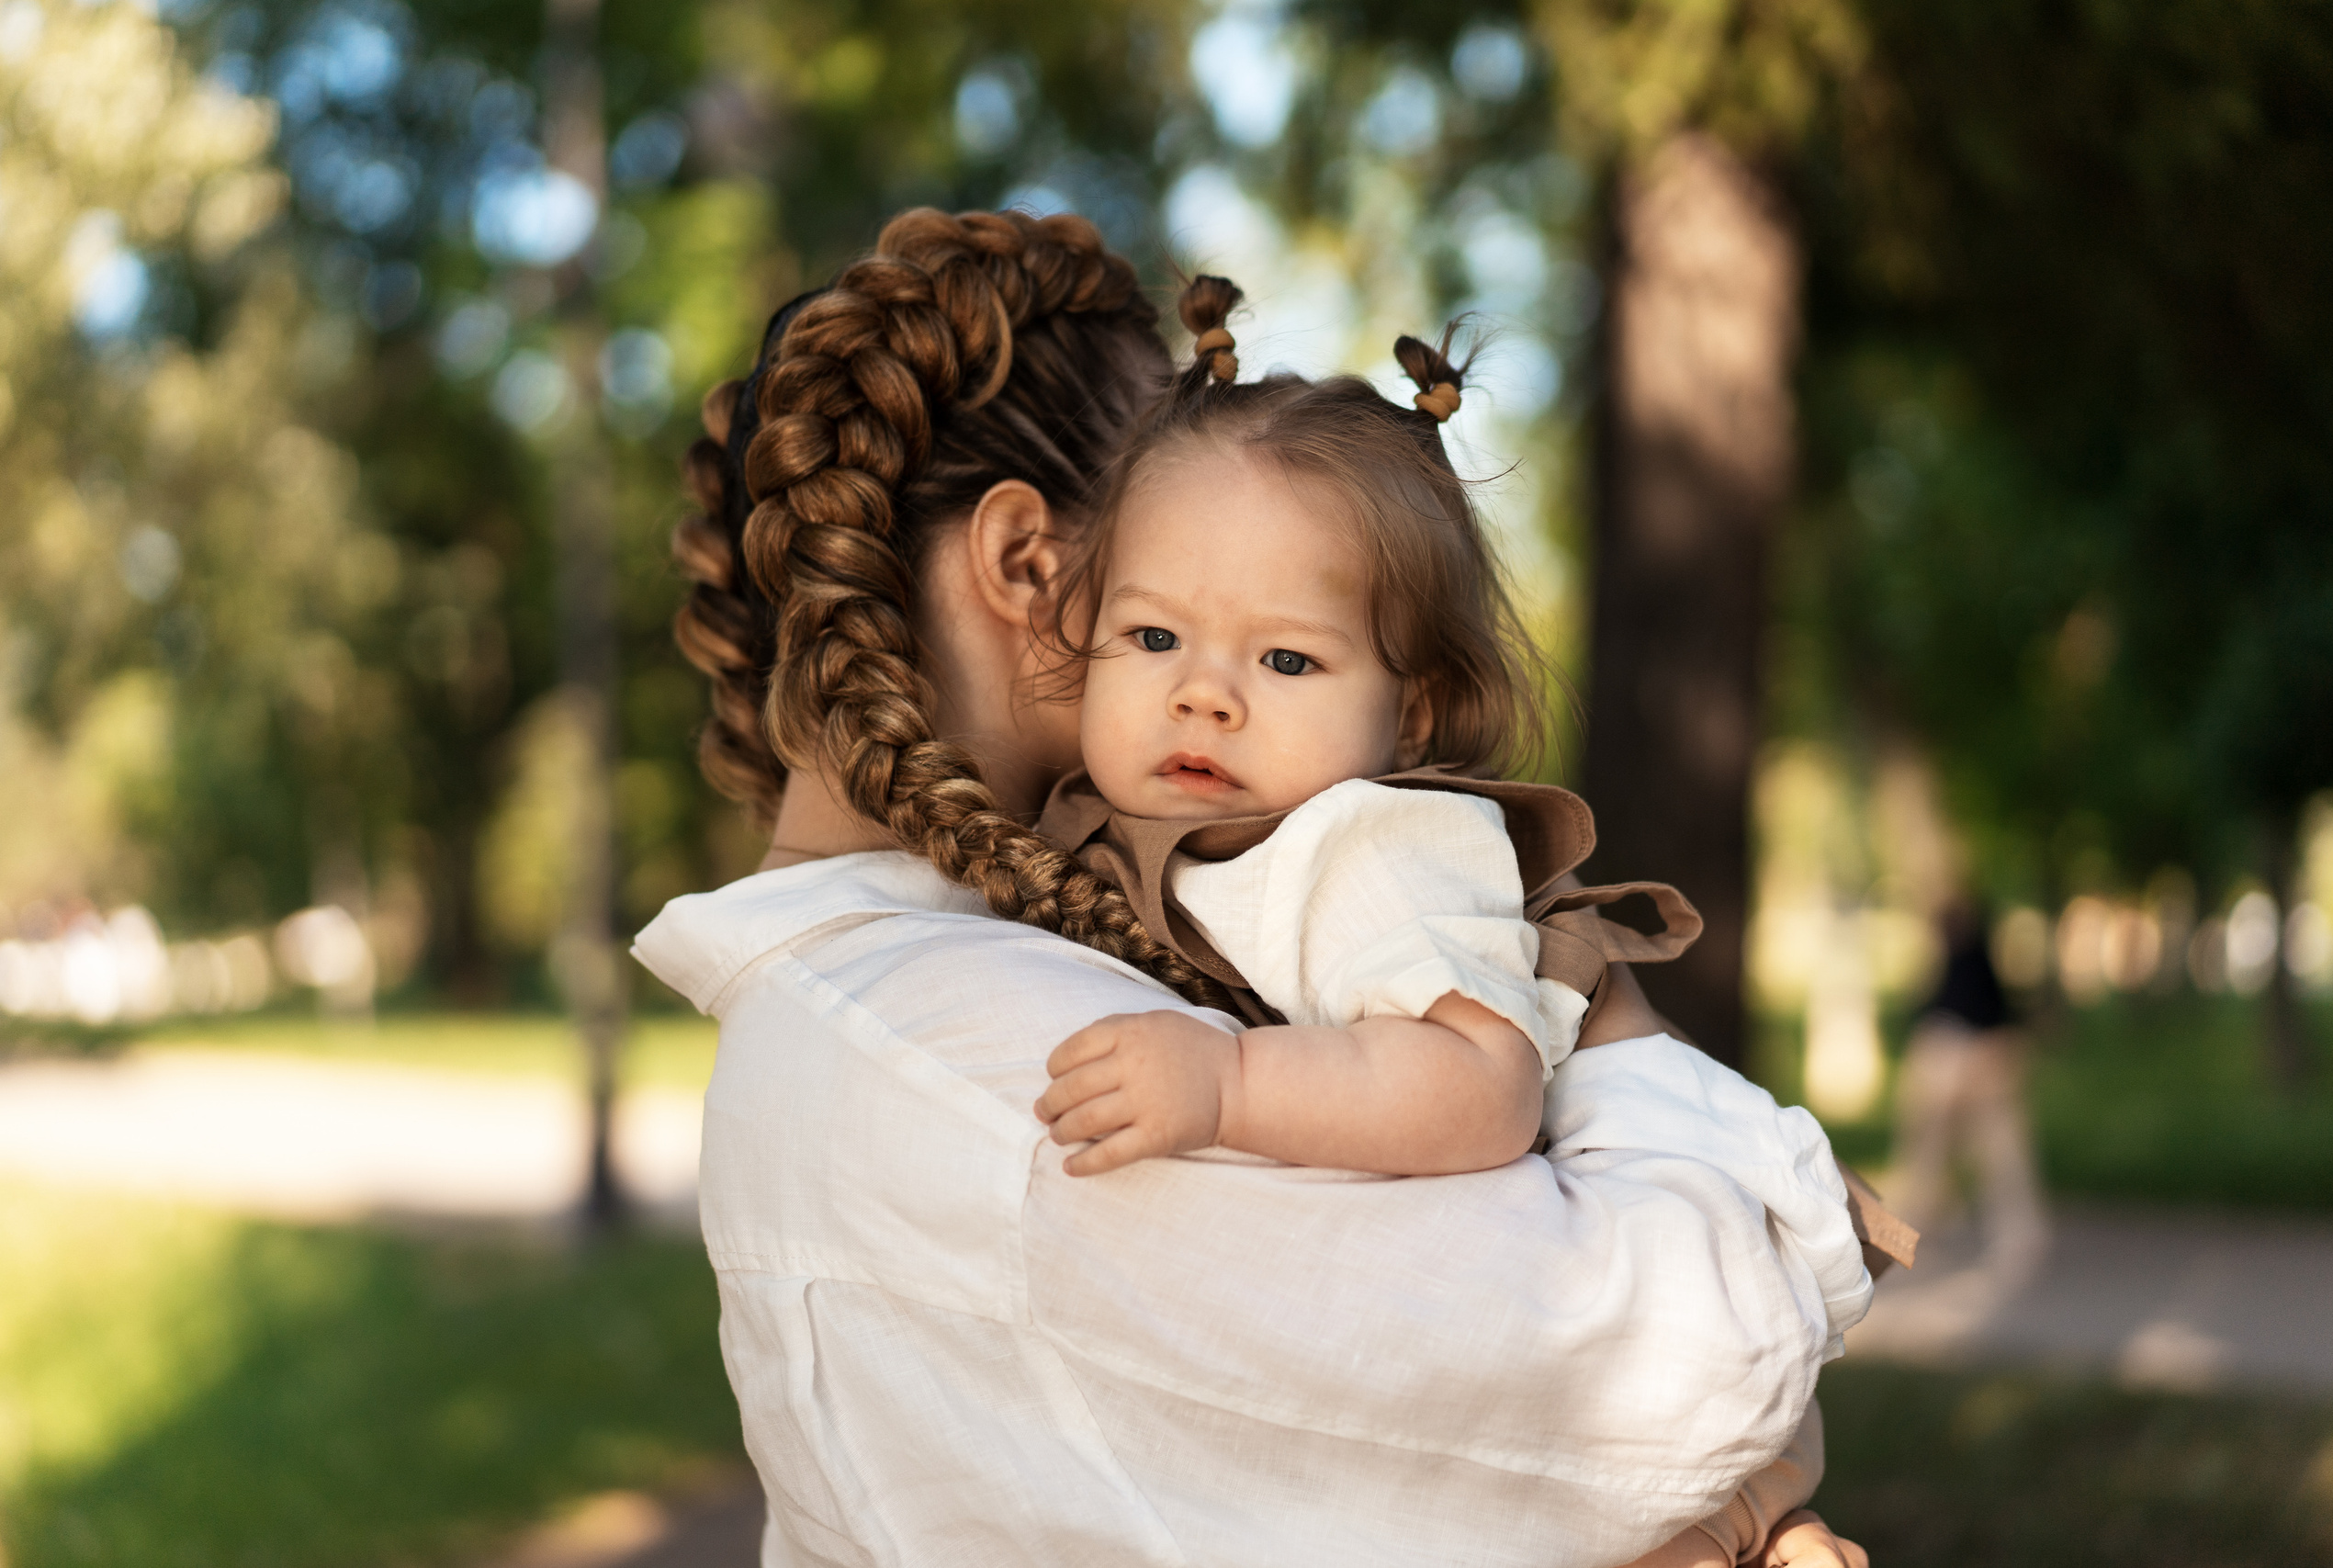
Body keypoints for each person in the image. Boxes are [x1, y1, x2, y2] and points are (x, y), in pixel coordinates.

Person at [633, 209, 1867, 1568]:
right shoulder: (991, 1052)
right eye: (1158, 585)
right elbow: (1698, 1370)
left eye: (1283, 643)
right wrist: (1639, 1077)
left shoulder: (893, 999)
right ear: (1034, 565)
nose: (1212, 675)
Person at [1028, 277, 1868, 1568]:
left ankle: (1750, 1521)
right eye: (1150, 636)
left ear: (1411, 713)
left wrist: (1227, 1082)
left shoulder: (1370, 846)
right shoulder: (1151, 813)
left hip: (1669, 1205)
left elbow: (1481, 1089)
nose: (1204, 695)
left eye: (1286, 660)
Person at [1888, 899, 2051, 1284]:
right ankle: (2016, 1235)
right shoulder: (1976, 964)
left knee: (1932, 1156)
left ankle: (1912, 1232)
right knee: (1995, 1155)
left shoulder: (1956, 967)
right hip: (1980, 1058)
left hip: (1950, 1058)